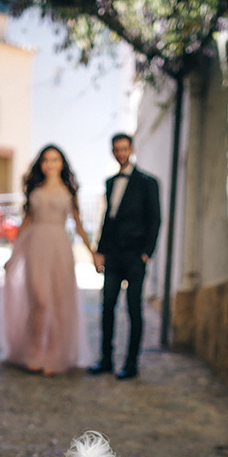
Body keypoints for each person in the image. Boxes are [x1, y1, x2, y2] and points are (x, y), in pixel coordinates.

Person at [0, 145, 93, 376]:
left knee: (59, 303)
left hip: (60, 246)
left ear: (62, 164)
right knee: (39, 300)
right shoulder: (35, 188)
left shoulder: (69, 191)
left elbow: (79, 225)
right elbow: (26, 223)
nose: (50, 164)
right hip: (35, 246)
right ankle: (32, 352)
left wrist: (93, 253)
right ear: (41, 164)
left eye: (55, 159)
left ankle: (53, 355)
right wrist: (11, 257)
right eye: (46, 160)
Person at [89, 133, 161, 379]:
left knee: (133, 309)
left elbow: (155, 220)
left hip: (134, 257)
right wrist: (99, 251)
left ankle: (131, 364)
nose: (120, 153)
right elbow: (108, 219)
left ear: (131, 149)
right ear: (112, 151)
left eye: (124, 148)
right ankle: (106, 359)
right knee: (107, 306)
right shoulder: (110, 182)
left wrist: (145, 254)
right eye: (116, 149)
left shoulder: (147, 182)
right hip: (112, 255)